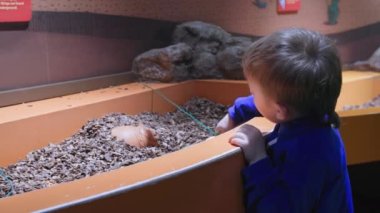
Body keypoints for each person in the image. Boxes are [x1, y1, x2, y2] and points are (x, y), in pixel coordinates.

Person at [216, 28, 353, 212]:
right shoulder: (313, 111)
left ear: (280, 111)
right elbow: (270, 101)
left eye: (253, 92)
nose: (251, 96)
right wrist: (235, 113)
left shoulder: (309, 155)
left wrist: (258, 159)